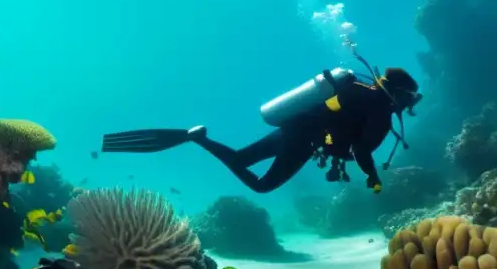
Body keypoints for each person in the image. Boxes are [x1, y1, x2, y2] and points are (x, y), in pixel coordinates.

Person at [102, 62, 422, 194]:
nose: (410, 103)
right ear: (397, 92)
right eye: (410, 97)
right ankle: (196, 139)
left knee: (241, 160)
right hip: (304, 140)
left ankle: (196, 138)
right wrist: (373, 176)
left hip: (291, 126)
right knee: (262, 186)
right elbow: (362, 148)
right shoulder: (379, 109)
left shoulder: (358, 89)